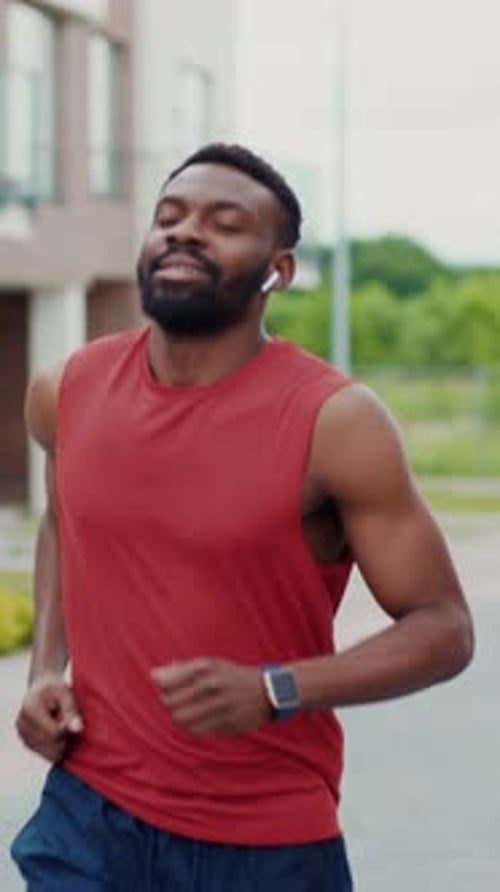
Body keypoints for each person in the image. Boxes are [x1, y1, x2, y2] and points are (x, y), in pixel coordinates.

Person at [11, 143, 474, 891]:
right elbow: (66, 522)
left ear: (277, 271)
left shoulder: (335, 421)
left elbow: (444, 627)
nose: (185, 232)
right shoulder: (65, 390)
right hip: (88, 817)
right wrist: (43, 671)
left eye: (224, 224)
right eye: (169, 216)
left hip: (262, 842)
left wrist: (276, 689)